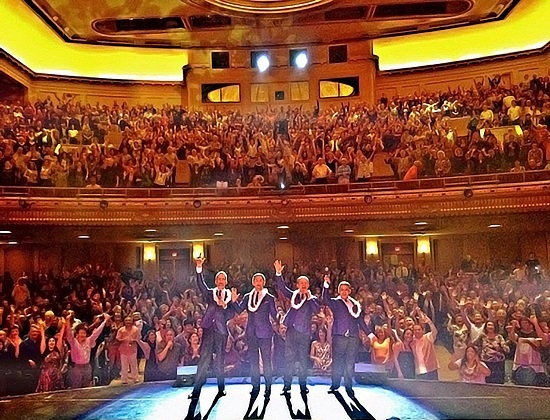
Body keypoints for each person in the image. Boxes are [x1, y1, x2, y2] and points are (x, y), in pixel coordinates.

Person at [189, 257, 237, 399]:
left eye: (223, 279)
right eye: (219, 279)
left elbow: (230, 314)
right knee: (204, 359)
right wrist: (199, 268)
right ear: (216, 282)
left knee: (220, 361)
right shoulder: (210, 293)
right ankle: (196, 390)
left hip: (221, 331)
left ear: (226, 282)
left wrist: (229, 304)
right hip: (209, 329)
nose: (221, 281)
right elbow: (201, 285)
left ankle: (221, 388)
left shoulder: (230, 296)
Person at [275, 259, 320, 395]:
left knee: (302, 360)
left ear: (308, 285)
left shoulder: (311, 299)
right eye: (301, 283)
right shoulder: (293, 295)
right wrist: (278, 273)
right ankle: (287, 385)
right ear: (297, 285)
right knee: (288, 359)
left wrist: (310, 297)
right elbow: (282, 288)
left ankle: (302, 385)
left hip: (304, 333)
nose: (304, 285)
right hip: (291, 331)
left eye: (306, 283)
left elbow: (317, 310)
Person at [322, 275, 370, 397]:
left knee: (350, 363)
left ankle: (349, 386)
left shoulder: (355, 305)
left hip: (353, 337)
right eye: (341, 289)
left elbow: (360, 321)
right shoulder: (336, 302)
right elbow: (325, 299)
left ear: (349, 291)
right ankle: (335, 385)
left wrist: (370, 333)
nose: (344, 292)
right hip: (339, 336)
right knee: (338, 362)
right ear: (339, 291)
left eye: (346, 290)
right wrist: (326, 285)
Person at [233, 272, 277, 397]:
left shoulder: (269, 298)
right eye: (256, 280)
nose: (258, 282)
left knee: (266, 360)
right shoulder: (248, 296)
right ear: (253, 283)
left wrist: (281, 319)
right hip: (251, 332)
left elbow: (274, 314)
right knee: (253, 360)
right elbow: (239, 309)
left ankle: (268, 386)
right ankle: (255, 385)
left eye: (260, 280)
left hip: (265, 333)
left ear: (263, 283)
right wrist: (234, 300)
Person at [64, 313, 110, 389]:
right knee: (76, 387)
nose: (83, 335)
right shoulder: (73, 342)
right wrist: (67, 321)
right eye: (81, 333)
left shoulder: (89, 341)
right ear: (77, 334)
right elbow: (69, 333)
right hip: (77, 368)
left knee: (87, 388)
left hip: (87, 367)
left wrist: (105, 321)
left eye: (84, 333)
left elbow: (97, 333)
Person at [410, 308, 439, 380]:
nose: (417, 331)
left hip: (431, 369)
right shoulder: (411, 341)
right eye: (415, 330)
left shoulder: (428, 337)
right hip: (419, 370)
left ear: (423, 331)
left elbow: (435, 332)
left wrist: (429, 322)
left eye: (419, 330)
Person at [116, 316, 140, 384]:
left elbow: (139, 338)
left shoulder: (136, 329)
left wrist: (134, 340)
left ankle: (135, 378)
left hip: (133, 349)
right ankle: (124, 380)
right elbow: (117, 338)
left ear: (132, 321)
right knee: (124, 365)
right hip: (123, 350)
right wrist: (123, 340)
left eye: (129, 320)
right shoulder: (121, 330)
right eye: (126, 321)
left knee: (134, 365)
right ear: (124, 322)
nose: (128, 322)